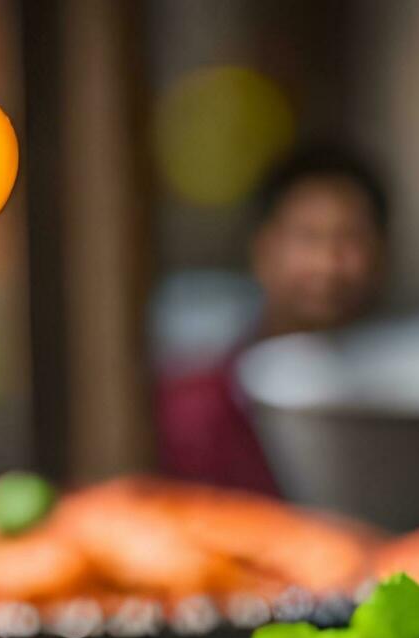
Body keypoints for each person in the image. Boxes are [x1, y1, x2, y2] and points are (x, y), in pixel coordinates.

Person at [154, 145, 388, 494]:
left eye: (349, 239)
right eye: (308, 238)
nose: (327, 263)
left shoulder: (391, 405)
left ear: (381, 256)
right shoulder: (194, 414)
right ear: (264, 250)